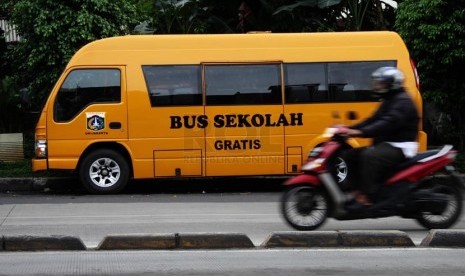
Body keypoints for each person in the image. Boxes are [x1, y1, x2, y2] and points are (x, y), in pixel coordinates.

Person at [342, 67, 420, 208]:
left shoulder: (402, 101)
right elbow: (372, 120)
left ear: (393, 84)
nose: (378, 86)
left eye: (382, 83)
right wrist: (349, 129)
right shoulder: (389, 100)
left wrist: (361, 133)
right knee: (350, 155)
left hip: (401, 146)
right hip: (387, 144)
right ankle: (356, 191)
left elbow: (387, 123)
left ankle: (368, 196)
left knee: (369, 157)